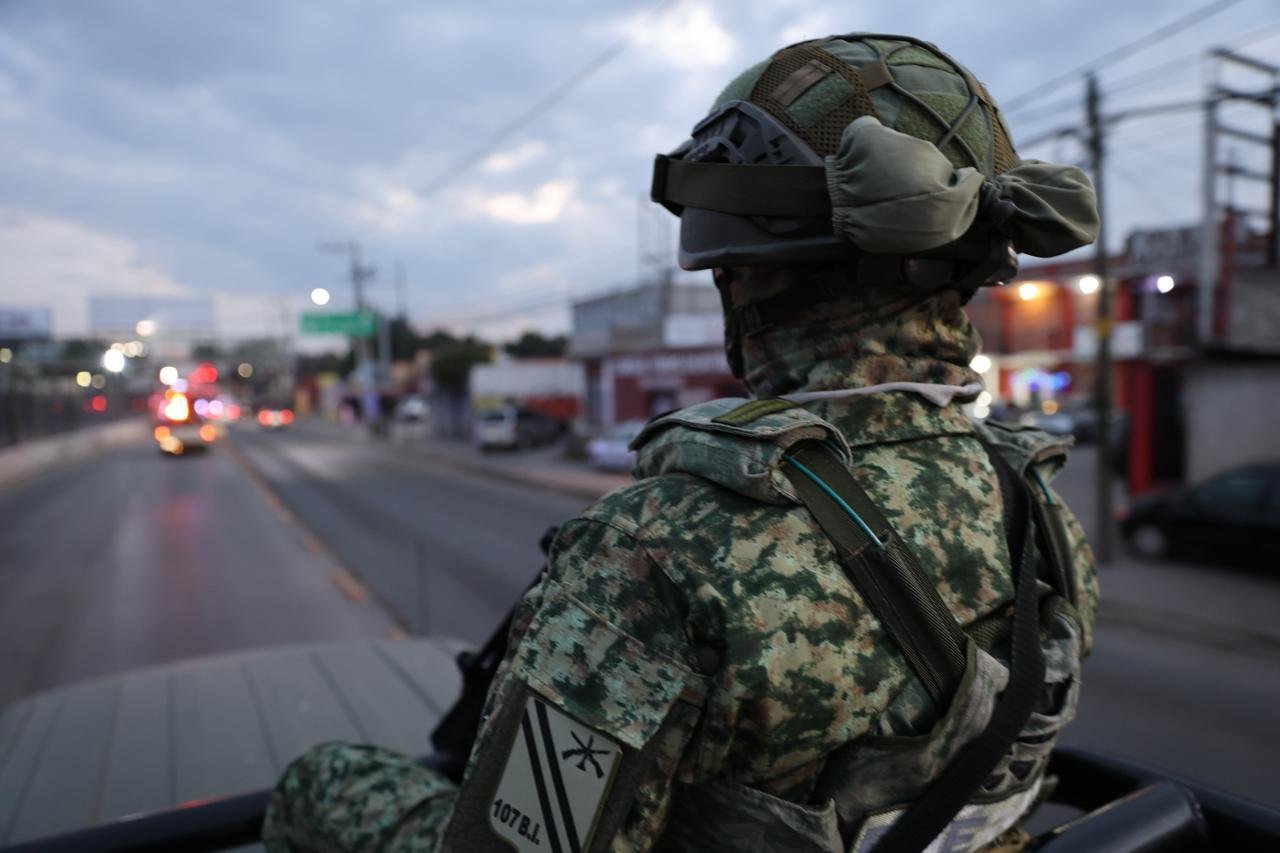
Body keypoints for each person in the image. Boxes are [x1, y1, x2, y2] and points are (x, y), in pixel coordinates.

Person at [262, 32, 1100, 852]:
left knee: (322, 778)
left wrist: (335, 787)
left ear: (740, 273)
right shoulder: (1039, 505)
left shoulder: (658, 552)